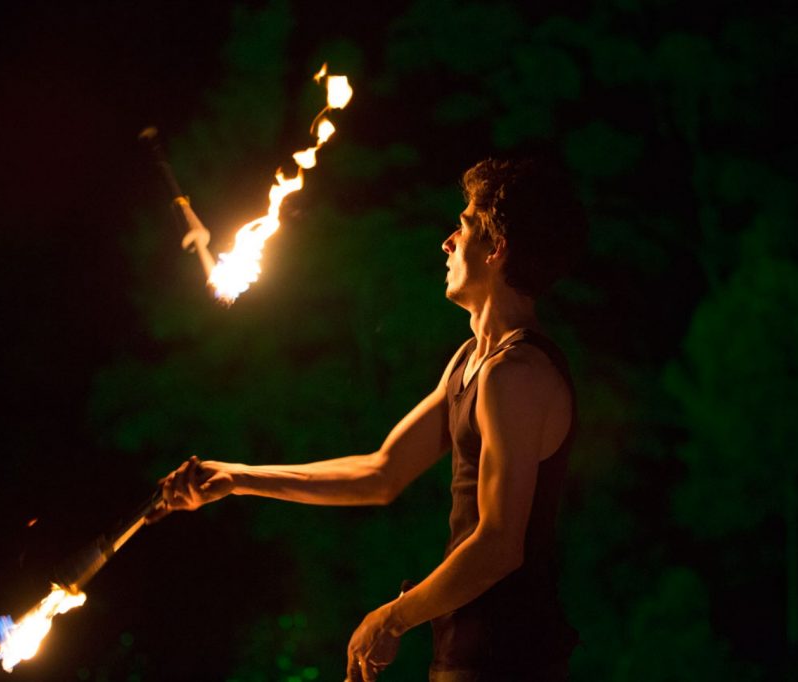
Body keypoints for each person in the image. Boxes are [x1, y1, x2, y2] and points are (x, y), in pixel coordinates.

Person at [149, 157, 586, 681]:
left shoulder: (515, 374)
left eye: (464, 226)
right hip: (464, 655)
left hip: (513, 663)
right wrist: (236, 478)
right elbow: (380, 474)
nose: (447, 242)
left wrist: (392, 618)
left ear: (496, 250)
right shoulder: (470, 364)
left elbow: (497, 546)